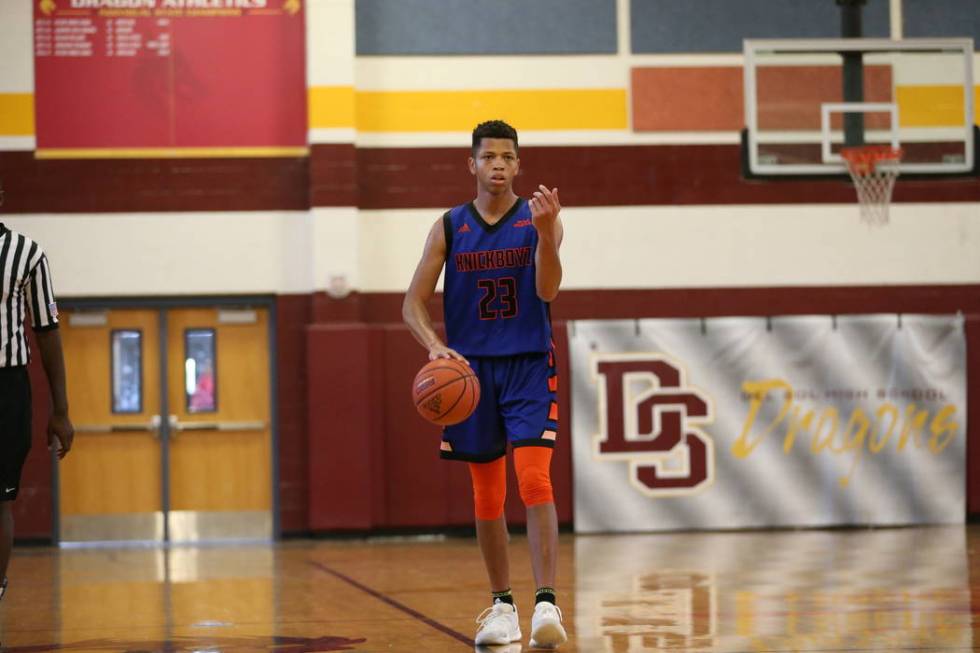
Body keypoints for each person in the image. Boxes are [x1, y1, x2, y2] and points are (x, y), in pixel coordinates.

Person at [403, 120, 567, 649]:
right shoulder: (450, 226)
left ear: (519, 165)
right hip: (471, 373)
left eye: (508, 157)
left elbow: (547, 289)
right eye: (489, 156)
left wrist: (547, 235)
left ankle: (547, 603)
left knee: (534, 480)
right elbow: (411, 303)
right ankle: (502, 607)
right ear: (471, 164)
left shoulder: (539, 218)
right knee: (486, 492)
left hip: (526, 364)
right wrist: (434, 344)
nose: (499, 164)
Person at [0, 183, 74, 604]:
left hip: (6, 388)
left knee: (0, 504)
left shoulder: (27, 254)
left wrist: (61, 410)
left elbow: (47, 332)